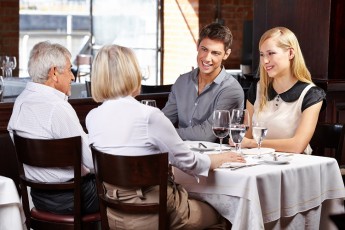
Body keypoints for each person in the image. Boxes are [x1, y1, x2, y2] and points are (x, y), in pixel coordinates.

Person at [86, 44, 246, 230]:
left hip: (114, 213)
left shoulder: (93, 117)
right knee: (228, 215)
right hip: (153, 211)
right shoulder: (148, 116)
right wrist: (216, 159)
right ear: (132, 73)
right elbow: (190, 163)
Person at [7, 41, 99, 214]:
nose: (73, 77)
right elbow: (92, 162)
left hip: (39, 198)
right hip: (74, 199)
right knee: (122, 188)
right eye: (70, 70)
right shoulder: (57, 107)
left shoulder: (20, 101)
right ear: (54, 73)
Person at [238, 27, 326, 154]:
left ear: (290, 53)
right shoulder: (257, 89)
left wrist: (252, 143)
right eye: (262, 54)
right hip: (259, 163)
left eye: (271, 53)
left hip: (295, 167)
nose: (265, 61)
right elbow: (247, 136)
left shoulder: (312, 94)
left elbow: (297, 146)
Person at [162, 22, 244, 142]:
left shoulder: (231, 90)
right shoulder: (182, 82)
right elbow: (164, 120)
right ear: (197, 46)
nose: (206, 58)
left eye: (215, 53)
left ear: (226, 54)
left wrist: (167, 134)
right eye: (204, 49)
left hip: (214, 155)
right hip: (179, 152)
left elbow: (207, 135)